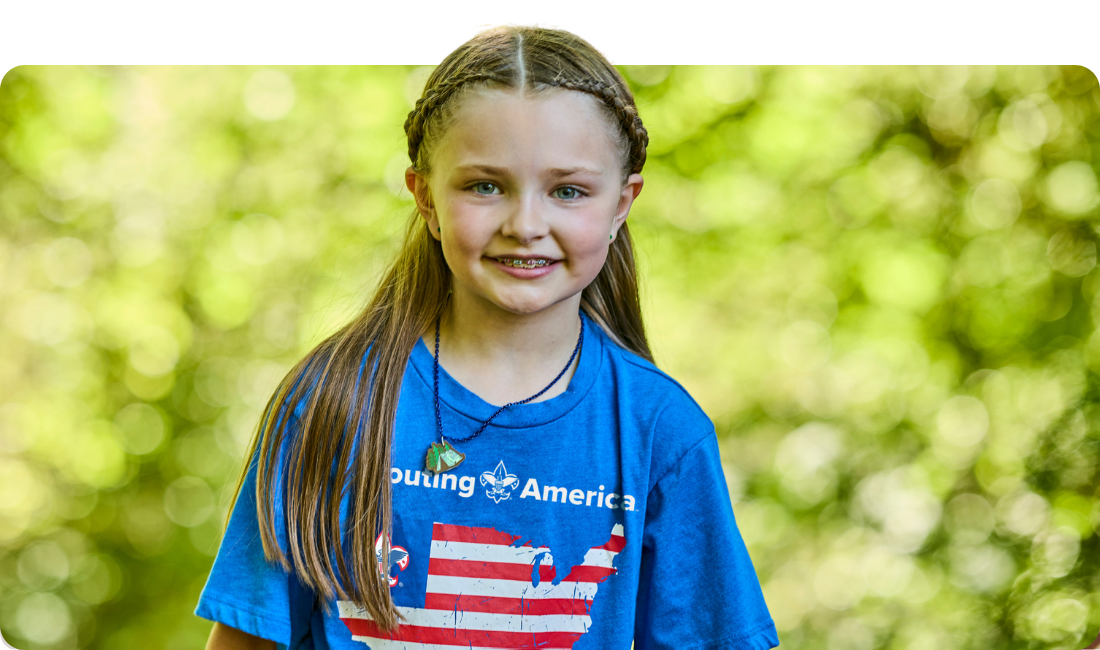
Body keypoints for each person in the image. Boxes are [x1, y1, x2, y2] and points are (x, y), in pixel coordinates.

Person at [196, 25, 778, 650]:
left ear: (621, 205)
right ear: (424, 197)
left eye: (568, 191)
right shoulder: (331, 402)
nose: (525, 224)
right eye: (484, 186)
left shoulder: (660, 429)